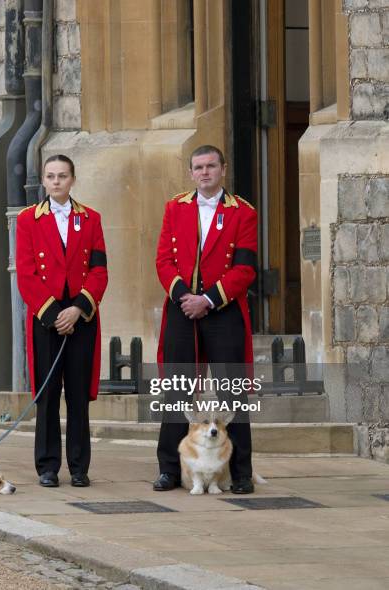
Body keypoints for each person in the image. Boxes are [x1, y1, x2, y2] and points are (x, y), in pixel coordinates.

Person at [153, 145, 258, 494]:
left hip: (223, 311)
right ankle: (169, 468)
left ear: (223, 169)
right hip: (182, 309)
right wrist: (186, 297)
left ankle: (241, 473)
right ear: (191, 172)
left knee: (232, 394)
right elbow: (163, 260)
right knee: (177, 392)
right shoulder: (174, 207)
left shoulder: (243, 212)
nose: (204, 172)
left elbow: (245, 268)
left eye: (211, 166)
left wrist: (208, 300)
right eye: (198, 167)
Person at [16, 154, 108, 488]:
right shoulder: (28, 220)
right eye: (51, 176)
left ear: (72, 179)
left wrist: (78, 308)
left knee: (78, 395)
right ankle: (48, 466)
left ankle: (80, 467)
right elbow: (26, 275)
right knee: (48, 394)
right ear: (43, 180)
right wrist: (56, 315)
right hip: (47, 319)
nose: (56, 181)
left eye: (63, 176)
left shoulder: (92, 219)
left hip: (81, 316)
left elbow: (99, 269)